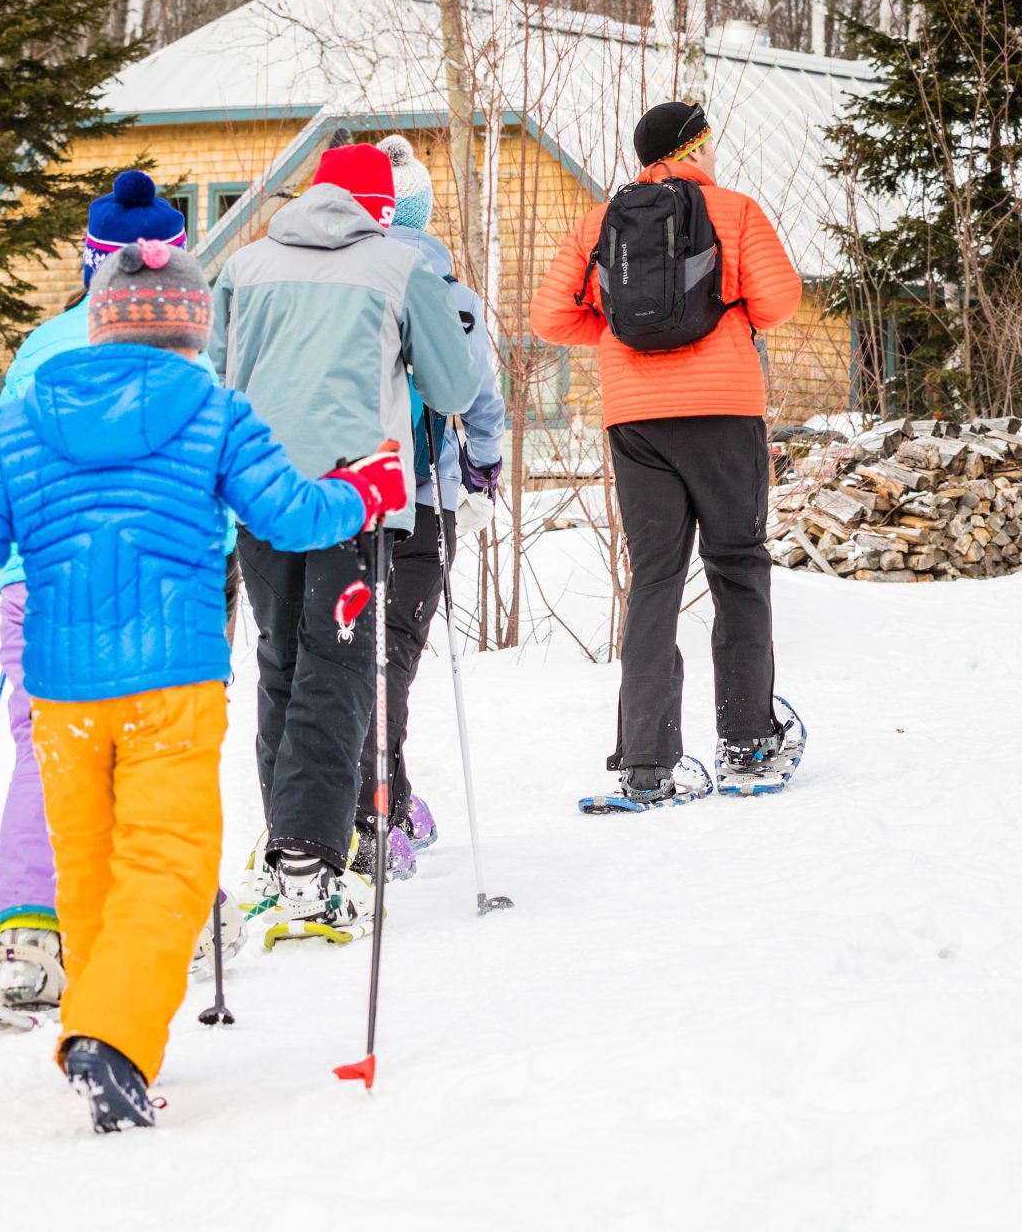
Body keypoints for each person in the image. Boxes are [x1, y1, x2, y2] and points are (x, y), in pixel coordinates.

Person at [0, 241, 405, 1132]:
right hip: (171, 683)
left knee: (88, 869)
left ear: (100, 318)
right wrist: (365, 490)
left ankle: (101, 1032)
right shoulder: (212, 405)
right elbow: (288, 513)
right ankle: (111, 1038)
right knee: (168, 864)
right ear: (193, 328)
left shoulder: (22, 418)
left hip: (60, 691)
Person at [209, 142, 476, 939]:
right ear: (380, 204)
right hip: (352, 497)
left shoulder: (244, 266)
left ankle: (289, 833)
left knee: (281, 658)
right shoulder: (400, 268)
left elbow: (218, 376)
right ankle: (308, 856)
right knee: (340, 659)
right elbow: (453, 387)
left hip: (257, 492)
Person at [528, 101, 804, 805]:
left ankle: (645, 761)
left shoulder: (602, 220)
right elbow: (779, 299)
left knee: (655, 578)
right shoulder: (735, 211)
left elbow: (550, 314)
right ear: (694, 147)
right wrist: (725, 314)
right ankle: (747, 741)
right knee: (737, 564)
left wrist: (623, 333)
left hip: (636, 421)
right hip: (724, 411)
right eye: (709, 143)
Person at [0, 169, 190, 1023]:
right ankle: (162, 916)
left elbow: (1, 468)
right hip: (151, 579)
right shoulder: (188, 342)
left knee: (47, 746)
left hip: (44, 577)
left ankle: (29, 936)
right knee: (154, 746)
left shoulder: (42, 346)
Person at [365, 134, 507, 880]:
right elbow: (480, 396)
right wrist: (482, 473)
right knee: (392, 654)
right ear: (419, 210)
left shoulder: (344, 284)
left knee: (356, 649)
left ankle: (388, 790)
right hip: (421, 495)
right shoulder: (447, 293)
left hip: (341, 494)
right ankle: (375, 806)